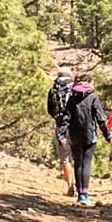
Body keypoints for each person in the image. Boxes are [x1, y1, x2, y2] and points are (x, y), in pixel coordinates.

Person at [59, 74, 110, 205]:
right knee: (86, 164)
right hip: (89, 135)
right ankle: (84, 193)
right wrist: (107, 134)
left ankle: (79, 194)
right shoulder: (93, 97)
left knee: (78, 163)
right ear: (89, 82)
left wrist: (62, 135)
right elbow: (100, 118)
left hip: (74, 135)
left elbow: (66, 118)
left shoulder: (72, 98)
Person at [46, 66, 76, 196]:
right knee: (78, 156)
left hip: (61, 126)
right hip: (76, 126)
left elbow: (50, 110)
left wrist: (59, 118)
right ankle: (82, 186)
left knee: (65, 158)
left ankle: (70, 185)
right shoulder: (75, 89)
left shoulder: (53, 90)